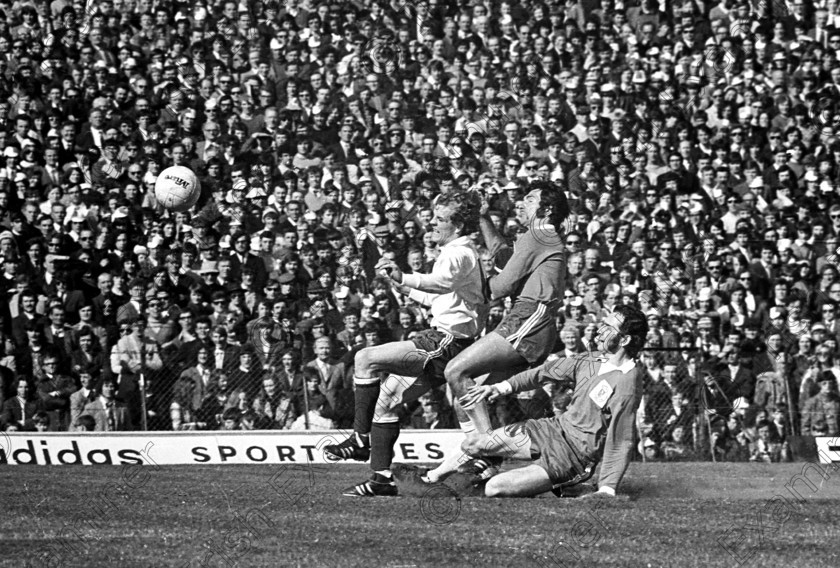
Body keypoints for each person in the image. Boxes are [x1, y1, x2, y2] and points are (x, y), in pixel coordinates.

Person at [324, 192, 486, 497]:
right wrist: (396, 281)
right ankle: (380, 480)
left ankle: (360, 439)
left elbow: (440, 284)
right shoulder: (457, 251)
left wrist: (403, 275)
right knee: (387, 401)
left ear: (459, 224)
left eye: (441, 219)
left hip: (447, 342)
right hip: (448, 340)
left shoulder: (458, 252)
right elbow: (435, 295)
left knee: (365, 358)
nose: (433, 224)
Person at [398, 305, 649, 498]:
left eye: (608, 327)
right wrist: (499, 387)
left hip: (572, 459)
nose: (599, 330)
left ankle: (575, 484)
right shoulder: (591, 359)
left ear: (624, 340)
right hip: (550, 430)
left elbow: (622, 440)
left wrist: (607, 490)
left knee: (495, 489)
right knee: (476, 443)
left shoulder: (627, 383)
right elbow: (542, 373)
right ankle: (429, 478)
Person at [427, 180, 570, 483]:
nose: (521, 203)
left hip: (529, 320)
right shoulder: (539, 238)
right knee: (466, 394)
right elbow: (504, 256)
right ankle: (476, 464)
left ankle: (487, 452)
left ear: (545, 209)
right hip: (528, 320)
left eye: (529, 200)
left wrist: (465, 281)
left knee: (455, 371)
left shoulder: (538, 235)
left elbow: (501, 286)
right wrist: (482, 216)